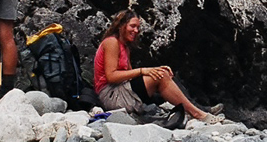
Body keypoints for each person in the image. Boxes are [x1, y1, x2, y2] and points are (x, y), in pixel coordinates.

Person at [93, 9, 221, 123]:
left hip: (122, 90)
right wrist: (143, 71)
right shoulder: (111, 42)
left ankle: (200, 108)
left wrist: (155, 70)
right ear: (121, 26)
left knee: (166, 74)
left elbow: (130, 77)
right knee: (160, 76)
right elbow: (111, 76)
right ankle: (197, 114)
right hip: (111, 95)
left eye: (138, 27)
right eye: (132, 26)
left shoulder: (124, 47)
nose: (136, 31)